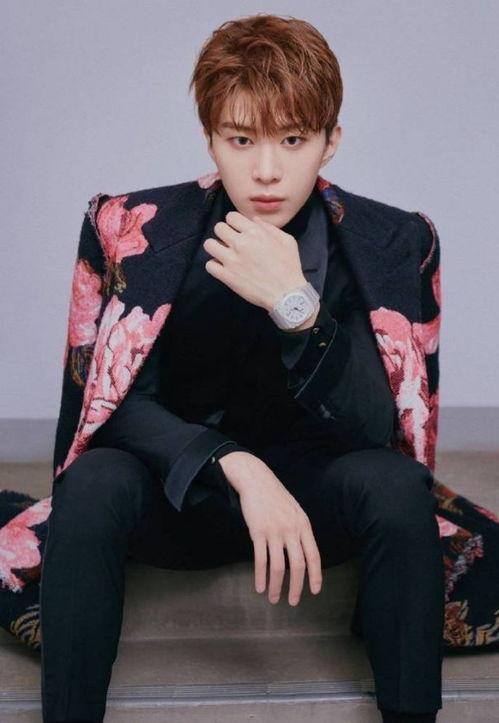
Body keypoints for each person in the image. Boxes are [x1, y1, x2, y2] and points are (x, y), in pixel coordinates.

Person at [1, 12, 496, 723]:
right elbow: (105, 406)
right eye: (241, 140)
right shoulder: (129, 226)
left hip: (318, 497)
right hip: (178, 494)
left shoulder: (396, 239)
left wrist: (296, 306)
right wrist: (235, 464)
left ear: (330, 141)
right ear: (210, 139)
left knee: (397, 487)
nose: (266, 170)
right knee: (94, 481)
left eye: (292, 140)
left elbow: (378, 424)